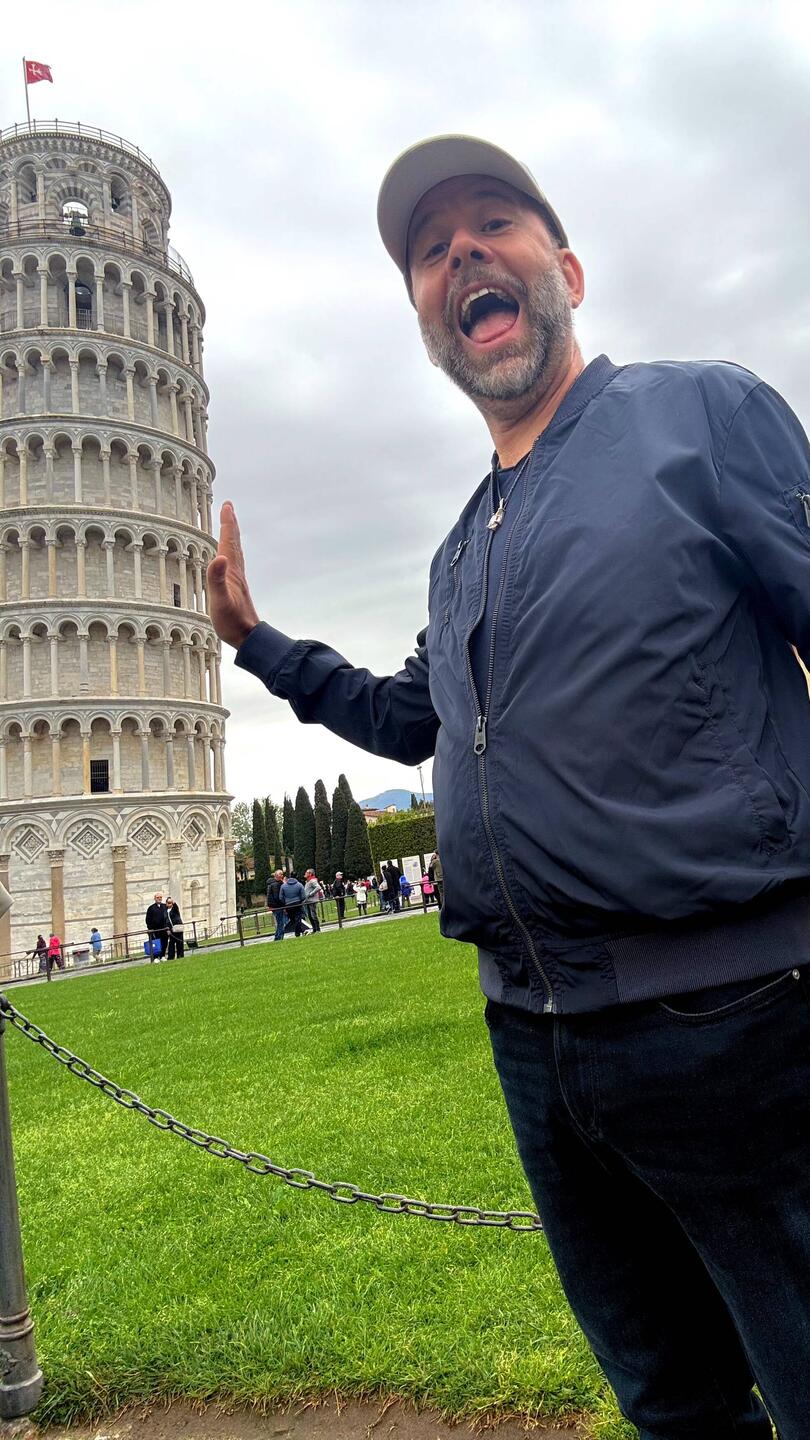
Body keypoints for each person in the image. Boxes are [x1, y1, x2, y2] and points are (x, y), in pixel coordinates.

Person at [209, 132, 810, 1436]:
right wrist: (257, 644)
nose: (461, 253)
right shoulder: (458, 550)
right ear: (429, 323)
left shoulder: (702, 417)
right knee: (673, 1402)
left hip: (735, 1017)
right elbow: (409, 717)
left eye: (494, 222)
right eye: (431, 251)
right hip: (536, 1045)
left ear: (567, 271)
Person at [280, 872, 308, 937]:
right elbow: (303, 896)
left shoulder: (283, 886)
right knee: (298, 919)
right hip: (297, 904)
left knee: (292, 920)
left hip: (288, 905)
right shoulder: (299, 885)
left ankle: (299, 932)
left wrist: (285, 902)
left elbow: (281, 897)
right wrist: (300, 901)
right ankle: (298, 932)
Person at [145, 893, 170, 961]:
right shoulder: (151, 908)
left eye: (160, 897)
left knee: (164, 943)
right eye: (157, 897)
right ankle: (156, 957)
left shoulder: (164, 906)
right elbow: (148, 919)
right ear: (155, 899)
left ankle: (162, 956)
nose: (159, 898)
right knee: (156, 943)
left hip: (164, 929)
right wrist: (150, 928)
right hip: (155, 930)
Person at [266, 869, 287, 941]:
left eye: (282, 874)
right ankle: (279, 937)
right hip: (277, 906)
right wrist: (283, 905)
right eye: (280, 874)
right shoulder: (276, 884)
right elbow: (277, 897)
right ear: (276, 875)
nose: (282, 875)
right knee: (281, 923)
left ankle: (278, 937)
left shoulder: (272, 884)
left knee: (280, 922)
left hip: (274, 906)